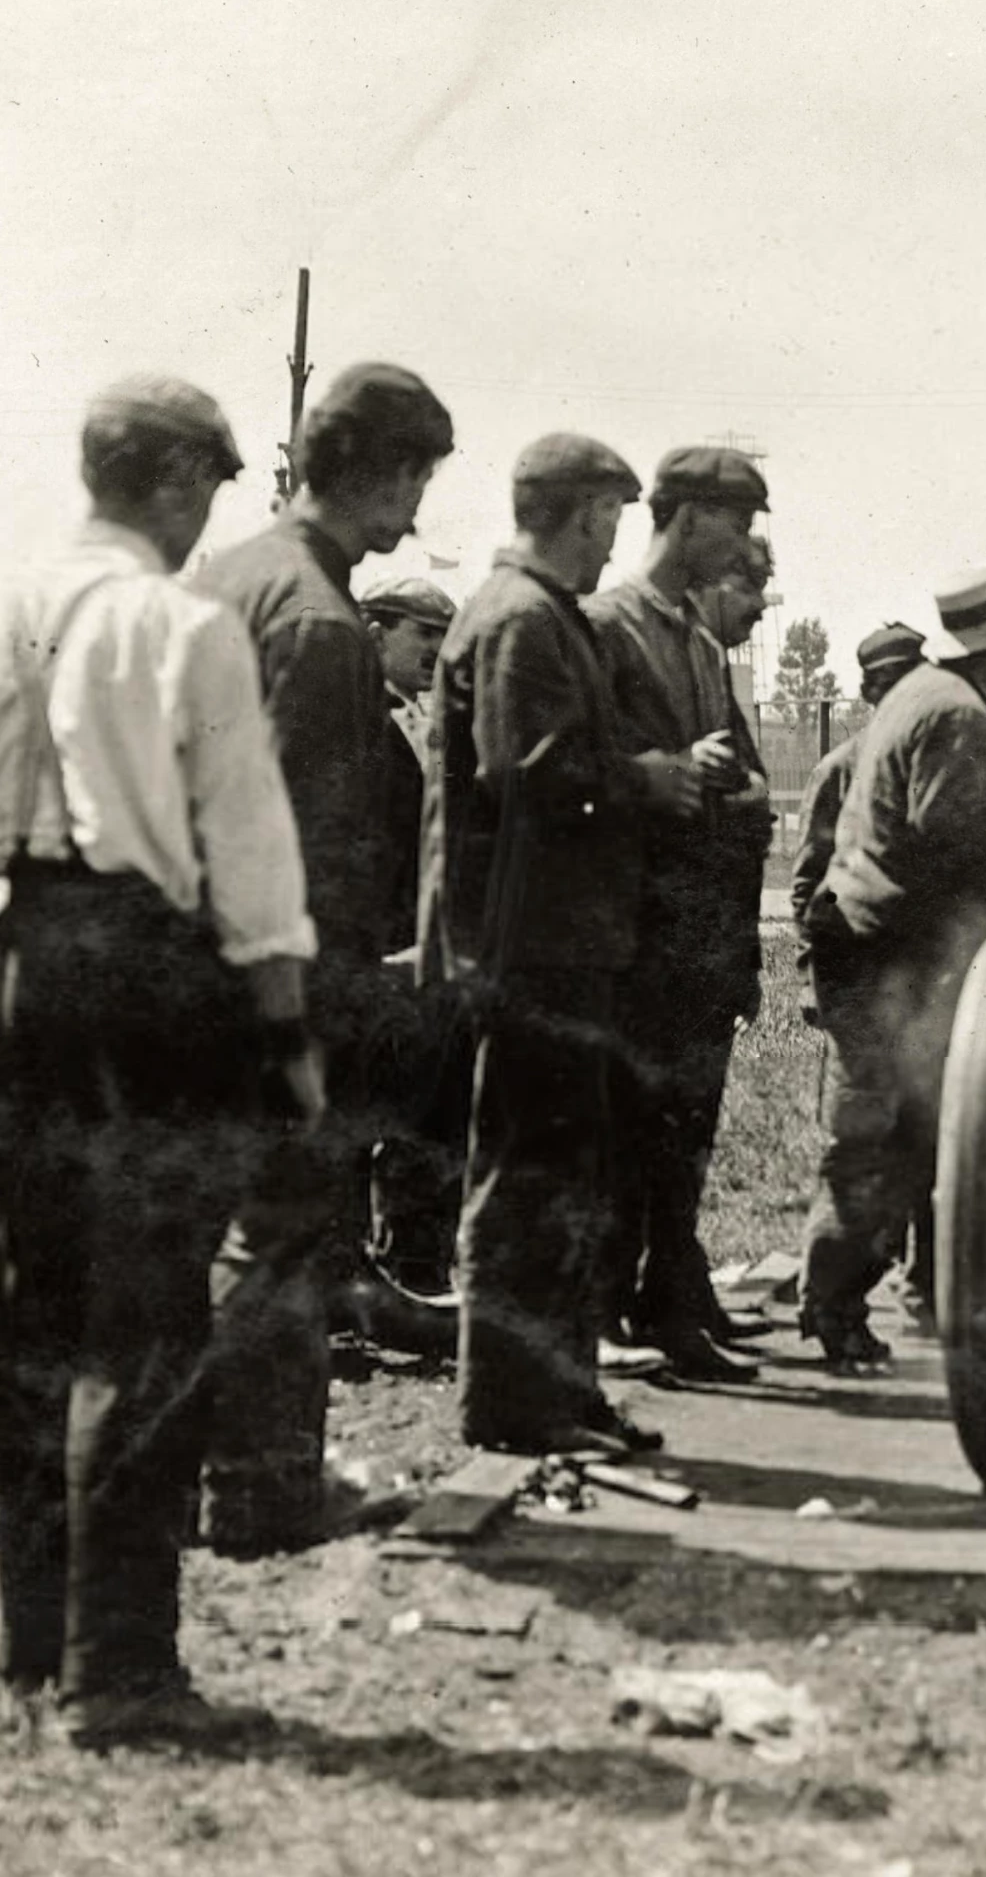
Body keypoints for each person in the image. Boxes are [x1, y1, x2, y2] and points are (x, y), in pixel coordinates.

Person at [0, 376, 322, 1743]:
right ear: (182, 485)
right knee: (146, 1326)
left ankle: (26, 1641)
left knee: (32, 1314)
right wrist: (287, 1031)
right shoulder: (183, 625)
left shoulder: (15, 605)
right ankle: (120, 1669)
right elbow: (247, 854)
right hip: (145, 977)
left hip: (24, 963)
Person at [188, 362, 457, 1555]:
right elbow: (308, 851)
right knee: (283, 1230)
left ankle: (206, 1480)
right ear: (382, 471)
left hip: (186, 964)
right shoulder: (321, 624)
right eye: (414, 484)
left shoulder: (226, 578)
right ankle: (263, 1489)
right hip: (272, 979)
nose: (414, 516)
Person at [420, 433, 701, 1456]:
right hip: (530, 949)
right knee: (526, 1178)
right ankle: (509, 1408)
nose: (614, 538)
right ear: (585, 514)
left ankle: (560, 1391)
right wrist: (645, 780)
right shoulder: (519, 621)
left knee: (565, 1174)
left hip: (563, 945)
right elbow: (528, 774)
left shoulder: (545, 618)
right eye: (613, 517)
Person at [796, 558, 986, 1367]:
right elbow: (952, 844)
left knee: (901, 1136)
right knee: (881, 1140)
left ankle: (838, 1298)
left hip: (881, 949)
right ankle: (831, 1303)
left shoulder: (930, 698)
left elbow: (948, 817)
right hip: (891, 959)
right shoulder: (958, 714)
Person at [585, 449, 779, 1383]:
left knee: (677, 1141)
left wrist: (730, 787)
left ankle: (667, 1306)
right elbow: (590, 770)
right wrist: (671, 772)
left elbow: (736, 775)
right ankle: (608, 1314)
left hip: (697, 941)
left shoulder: (699, 646)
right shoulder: (609, 625)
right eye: (738, 525)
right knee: (625, 1135)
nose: (744, 547)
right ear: (691, 517)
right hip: (636, 935)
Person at [359, 575, 464, 1297]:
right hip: (372, 952)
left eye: (442, 637)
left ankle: (417, 1266)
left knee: (430, 1108)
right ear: (375, 631)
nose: (435, 651)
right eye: (421, 634)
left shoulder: (428, 723)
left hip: (426, 953)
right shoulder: (352, 720)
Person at [791, 621, 930, 943]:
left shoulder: (933, 763)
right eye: (892, 684)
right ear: (868, 692)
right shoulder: (838, 769)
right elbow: (809, 881)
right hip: (860, 948)